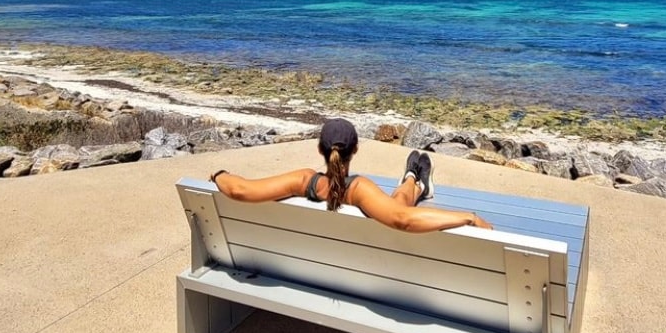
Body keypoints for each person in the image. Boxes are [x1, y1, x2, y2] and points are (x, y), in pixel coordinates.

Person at [209, 117, 493, 233]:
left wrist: (219, 173)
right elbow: (402, 219)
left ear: (320, 149)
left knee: (395, 200)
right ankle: (414, 181)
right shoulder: (358, 190)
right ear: (355, 150)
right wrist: (468, 216)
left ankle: (414, 180)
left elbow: (239, 190)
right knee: (397, 203)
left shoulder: (302, 181)